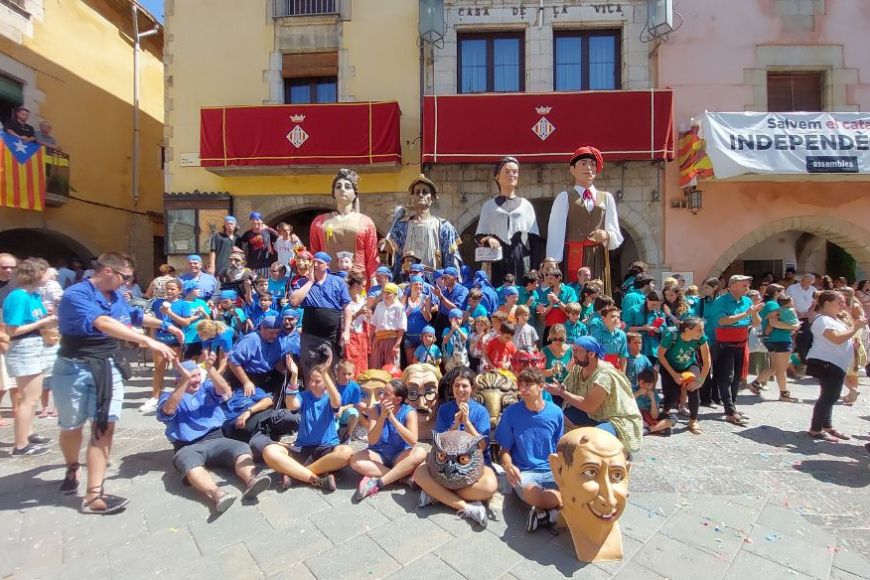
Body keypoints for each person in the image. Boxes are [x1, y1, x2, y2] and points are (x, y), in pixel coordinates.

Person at [52, 252, 178, 513]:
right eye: (126, 277)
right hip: (74, 367)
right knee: (71, 427)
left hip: (108, 364)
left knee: (104, 426)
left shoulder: (117, 295)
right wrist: (147, 340)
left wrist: (168, 325)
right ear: (109, 271)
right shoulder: (76, 294)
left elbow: (132, 316)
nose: (128, 282)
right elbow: (103, 322)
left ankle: (94, 493)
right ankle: (72, 467)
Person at [158, 357, 271, 513]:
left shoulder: (206, 389)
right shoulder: (168, 396)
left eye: (198, 375)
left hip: (217, 437)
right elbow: (168, 410)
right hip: (188, 446)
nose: (196, 380)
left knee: (241, 447)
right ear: (178, 379)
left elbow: (225, 391)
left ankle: (252, 479)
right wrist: (184, 382)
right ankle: (218, 495)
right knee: (190, 465)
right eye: (191, 376)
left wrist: (211, 369)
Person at [414, 367, 496, 527]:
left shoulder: (481, 412)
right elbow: (437, 442)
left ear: (472, 388)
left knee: (490, 485)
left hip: (472, 467)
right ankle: (467, 506)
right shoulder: (445, 409)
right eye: (457, 385)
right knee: (419, 473)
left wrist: (467, 423)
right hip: (445, 465)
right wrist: (456, 424)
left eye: (465, 386)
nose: (460, 389)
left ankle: (438, 494)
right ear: (452, 388)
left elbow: (483, 445)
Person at [261, 360, 353, 492]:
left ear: (327, 384)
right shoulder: (304, 396)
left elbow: (337, 401)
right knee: (269, 451)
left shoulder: (330, 398)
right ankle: (317, 479)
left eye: (317, 381)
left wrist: (326, 373)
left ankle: (297, 476)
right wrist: (294, 376)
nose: (312, 384)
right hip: (302, 449)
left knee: (346, 453)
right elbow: (291, 404)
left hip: (326, 449)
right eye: (311, 380)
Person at [496, 367, 564, 533]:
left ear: (541, 386)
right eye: (521, 385)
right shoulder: (511, 413)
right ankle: (560, 509)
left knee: (578, 485)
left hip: (551, 470)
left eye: (528, 385)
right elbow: (504, 450)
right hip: (525, 472)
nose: (523, 389)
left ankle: (546, 514)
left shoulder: (555, 413)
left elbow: (560, 447)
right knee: (530, 492)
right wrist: (508, 466)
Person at [546, 146, 623, 290]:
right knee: (575, 292)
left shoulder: (606, 198)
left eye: (592, 164)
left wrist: (606, 235)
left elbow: (615, 233)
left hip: (598, 256)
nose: (588, 168)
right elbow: (556, 233)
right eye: (583, 163)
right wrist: (552, 264)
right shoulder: (564, 198)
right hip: (573, 255)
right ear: (572, 169)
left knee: (597, 292)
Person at [550, 336, 643, 453]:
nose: (574, 354)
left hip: (616, 420)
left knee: (592, 443)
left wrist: (561, 392)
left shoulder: (605, 375)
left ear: (592, 354)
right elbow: (566, 390)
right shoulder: (579, 368)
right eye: (573, 350)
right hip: (595, 414)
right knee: (555, 414)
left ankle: (619, 455)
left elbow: (588, 405)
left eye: (578, 351)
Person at [3, 258, 56, 456]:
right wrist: (45, 321)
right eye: (45, 272)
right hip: (24, 349)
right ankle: (21, 444)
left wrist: (48, 319)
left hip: (36, 347)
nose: (49, 275)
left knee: (31, 397)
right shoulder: (19, 296)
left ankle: (29, 432)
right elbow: (13, 330)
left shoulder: (34, 296)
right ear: (35, 274)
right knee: (29, 399)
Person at [351, 379, 428, 501]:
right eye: (382, 392)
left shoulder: (409, 412)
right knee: (355, 460)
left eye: (386, 394)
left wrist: (392, 418)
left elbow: (413, 441)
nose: (381, 397)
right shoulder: (375, 409)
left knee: (421, 452)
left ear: (397, 400)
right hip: (378, 454)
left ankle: (380, 482)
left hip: (399, 455)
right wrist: (382, 417)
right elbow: (372, 440)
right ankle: (400, 476)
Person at [805, 290, 867, 441]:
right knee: (830, 396)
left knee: (831, 395)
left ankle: (826, 425)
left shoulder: (834, 320)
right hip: (827, 362)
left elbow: (842, 338)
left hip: (836, 363)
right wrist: (856, 327)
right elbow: (836, 339)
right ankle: (816, 429)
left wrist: (852, 340)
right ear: (827, 303)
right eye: (839, 302)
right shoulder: (822, 320)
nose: (843, 305)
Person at [381, 174, 463, 280]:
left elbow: (452, 258)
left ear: (432, 198)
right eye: (417, 192)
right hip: (408, 283)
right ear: (412, 197)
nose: (421, 195)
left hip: (434, 283)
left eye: (425, 192)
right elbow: (395, 260)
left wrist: (451, 283)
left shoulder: (444, 227)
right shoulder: (401, 227)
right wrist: (390, 252)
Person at [475, 157, 542, 282]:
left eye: (515, 172)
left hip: (519, 255)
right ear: (497, 176)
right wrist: (489, 239)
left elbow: (535, 240)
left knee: (518, 291)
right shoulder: (489, 206)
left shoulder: (525, 206)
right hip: (496, 257)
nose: (512, 175)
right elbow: (479, 236)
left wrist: (534, 268)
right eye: (507, 171)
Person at [709, 275, 763, 426]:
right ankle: (730, 410)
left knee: (738, 377)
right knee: (727, 377)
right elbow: (722, 321)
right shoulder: (721, 301)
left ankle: (731, 406)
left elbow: (757, 322)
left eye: (748, 285)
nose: (748, 288)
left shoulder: (747, 301)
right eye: (744, 285)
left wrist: (755, 312)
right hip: (725, 344)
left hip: (741, 343)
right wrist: (746, 314)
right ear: (732, 286)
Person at [288, 252, 352, 380]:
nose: (316, 265)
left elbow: (347, 306)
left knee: (332, 369)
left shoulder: (338, 281)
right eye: (314, 262)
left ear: (327, 265)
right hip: (310, 335)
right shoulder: (303, 282)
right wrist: (310, 281)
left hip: (332, 336)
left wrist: (346, 331)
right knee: (310, 371)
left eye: (320, 263)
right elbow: (294, 301)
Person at [309, 169, 380, 284]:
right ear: (333, 193)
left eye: (347, 186)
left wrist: (374, 280)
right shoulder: (319, 222)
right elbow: (314, 253)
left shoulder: (365, 222)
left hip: (358, 283)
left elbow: (372, 256)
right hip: (326, 282)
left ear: (355, 193)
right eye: (338, 186)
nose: (342, 189)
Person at [141, 278, 188, 414]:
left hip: (175, 342)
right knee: (159, 369)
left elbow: (184, 322)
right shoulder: (157, 303)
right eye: (168, 289)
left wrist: (169, 313)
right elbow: (154, 322)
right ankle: (155, 398)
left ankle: (177, 398)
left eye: (173, 289)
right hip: (160, 340)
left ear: (179, 291)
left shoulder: (183, 304)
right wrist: (151, 340)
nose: (169, 291)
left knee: (178, 371)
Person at [657, 317, 712, 435]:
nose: (702, 333)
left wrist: (700, 380)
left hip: (689, 365)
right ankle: (665, 412)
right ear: (687, 329)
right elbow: (660, 355)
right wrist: (674, 374)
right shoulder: (671, 336)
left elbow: (707, 362)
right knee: (673, 394)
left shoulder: (700, 338)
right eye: (699, 330)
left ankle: (693, 420)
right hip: (670, 366)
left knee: (693, 387)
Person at [752, 286, 800, 402]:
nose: (784, 294)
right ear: (776, 293)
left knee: (775, 367)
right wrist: (793, 326)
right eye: (782, 292)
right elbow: (773, 322)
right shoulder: (774, 305)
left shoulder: (767, 304)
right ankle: (784, 393)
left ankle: (756, 384)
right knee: (781, 369)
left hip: (773, 340)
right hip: (780, 339)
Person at [228, 316, 289, 399]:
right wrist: (246, 382)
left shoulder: (275, 340)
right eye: (271, 333)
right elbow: (233, 362)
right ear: (262, 329)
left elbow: (274, 361)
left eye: (277, 333)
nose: (275, 336)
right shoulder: (251, 340)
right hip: (251, 378)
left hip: (268, 377)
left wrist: (285, 372)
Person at [535, 268, 578, 344]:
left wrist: (557, 301)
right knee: (548, 354)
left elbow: (572, 311)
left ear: (559, 278)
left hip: (566, 329)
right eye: (547, 278)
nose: (548, 281)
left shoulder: (570, 291)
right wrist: (551, 305)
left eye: (551, 278)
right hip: (549, 330)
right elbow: (541, 317)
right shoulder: (545, 293)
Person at [369, 283, 406, 369]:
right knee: (376, 367)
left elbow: (402, 328)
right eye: (385, 292)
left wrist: (396, 345)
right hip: (378, 340)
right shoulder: (379, 305)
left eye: (389, 293)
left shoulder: (399, 307)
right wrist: (370, 340)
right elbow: (373, 325)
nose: (386, 295)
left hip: (391, 341)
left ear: (395, 294)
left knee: (391, 367)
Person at [402, 275, 434, 365]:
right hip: (408, 336)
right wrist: (409, 309)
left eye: (420, 285)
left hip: (423, 338)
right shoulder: (405, 297)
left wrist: (423, 310)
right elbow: (400, 317)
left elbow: (428, 319)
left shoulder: (426, 298)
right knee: (410, 364)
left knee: (423, 363)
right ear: (411, 286)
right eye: (416, 284)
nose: (419, 286)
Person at [344, 270, 371, 374]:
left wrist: (368, 315)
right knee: (350, 366)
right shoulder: (345, 299)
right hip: (350, 338)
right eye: (363, 286)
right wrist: (358, 313)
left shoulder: (362, 299)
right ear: (355, 285)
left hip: (362, 337)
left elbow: (366, 320)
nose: (364, 288)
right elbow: (344, 321)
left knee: (362, 366)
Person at [589, 305, 628, 372]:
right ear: (603, 318)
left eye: (618, 317)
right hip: (600, 369)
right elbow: (593, 356)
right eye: (612, 316)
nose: (616, 319)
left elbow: (623, 356)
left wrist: (623, 374)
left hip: (615, 370)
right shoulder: (596, 334)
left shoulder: (622, 335)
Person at [240, 212, 278, 279]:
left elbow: (278, 236)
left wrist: (268, 228)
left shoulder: (268, 231)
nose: (255, 221)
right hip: (253, 265)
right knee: (254, 284)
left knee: (266, 284)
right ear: (250, 221)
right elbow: (240, 243)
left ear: (261, 221)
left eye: (257, 219)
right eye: (253, 219)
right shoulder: (248, 233)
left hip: (267, 264)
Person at [634, 369, 673, 435]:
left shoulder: (653, 393)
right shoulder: (633, 389)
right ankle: (659, 428)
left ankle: (649, 429)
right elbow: (625, 403)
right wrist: (637, 394)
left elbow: (655, 416)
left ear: (652, 384)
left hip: (650, 418)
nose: (645, 387)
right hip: (637, 416)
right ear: (638, 382)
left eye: (648, 385)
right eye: (643, 384)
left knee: (673, 418)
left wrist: (652, 399)